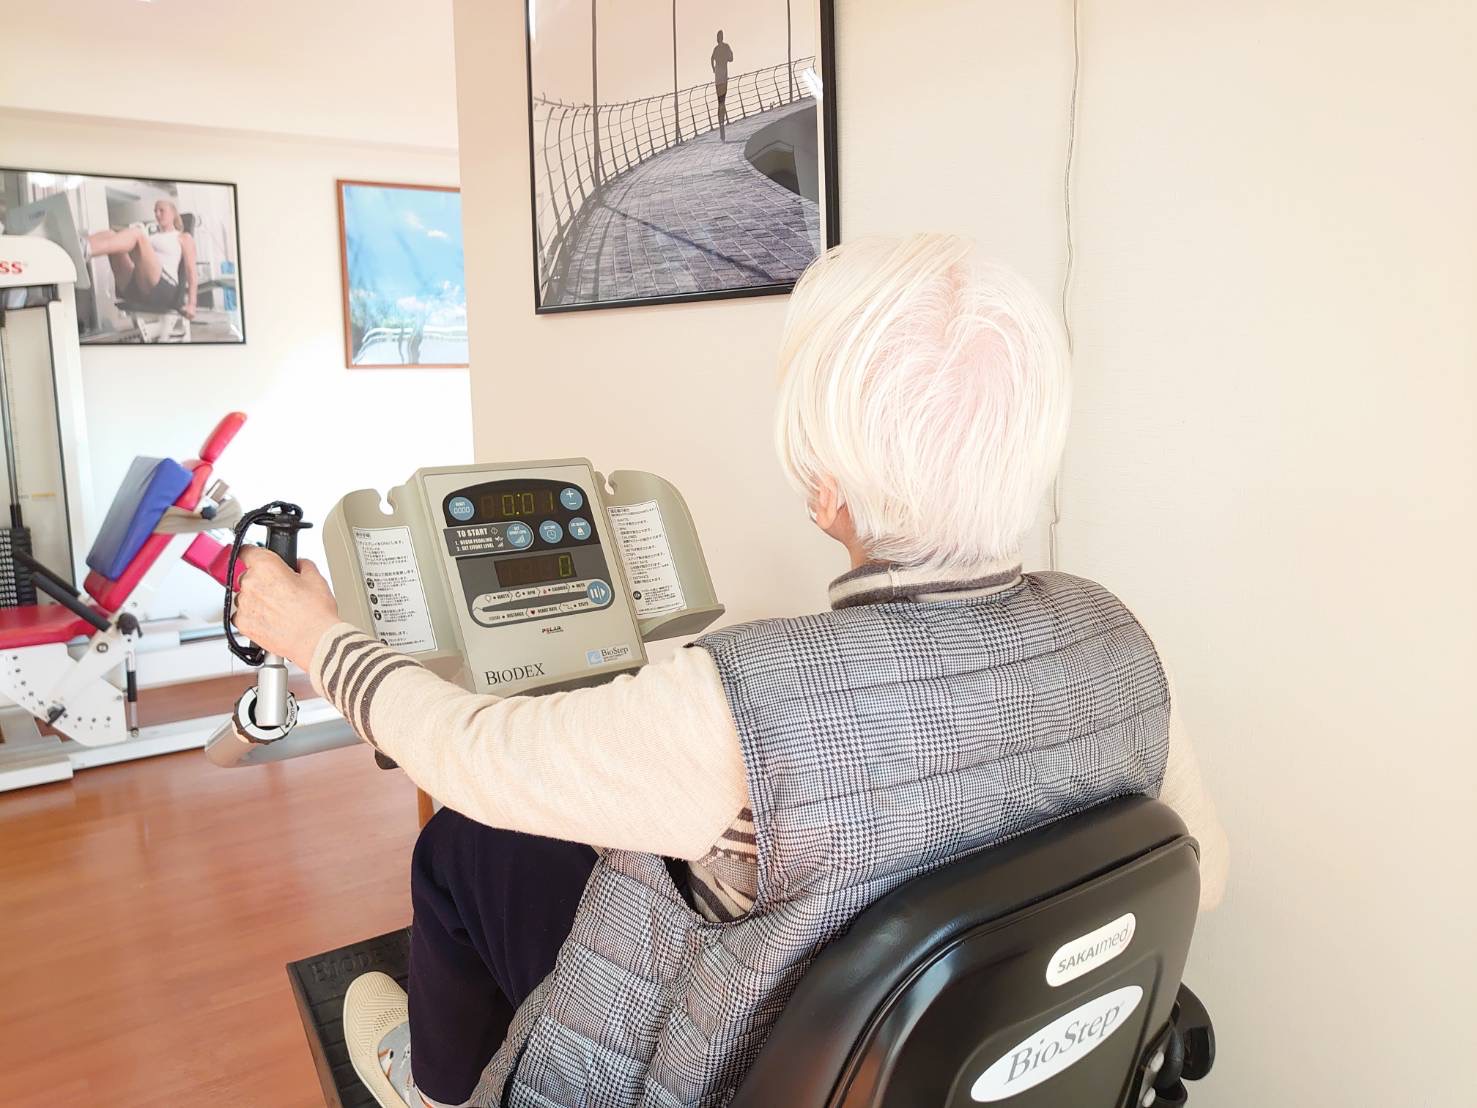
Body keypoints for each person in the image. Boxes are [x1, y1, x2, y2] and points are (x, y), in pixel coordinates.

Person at [234, 233, 1228, 1108]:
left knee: (461, 836)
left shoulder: (742, 711)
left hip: (716, 1070)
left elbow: (471, 753)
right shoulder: (1116, 638)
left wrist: (315, 635)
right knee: (515, 848)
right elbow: (1202, 875)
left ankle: (437, 1089)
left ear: (825, 487)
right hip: (937, 1057)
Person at [83, 198, 197, 318]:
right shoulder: (151, 236)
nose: (157, 214)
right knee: (110, 234)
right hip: (139, 286)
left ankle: (87, 249)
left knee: (137, 233)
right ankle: (82, 246)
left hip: (164, 288)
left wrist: (192, 304)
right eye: (155, 211)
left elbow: (191, 270)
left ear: (173, 213)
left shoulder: (183, 237)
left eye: (161, 210)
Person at [711, 30, 734, 140]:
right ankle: (722, 123)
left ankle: (721, 124)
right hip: (724, 78)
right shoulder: (726, 47)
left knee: (720, 102)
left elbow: (711, 59)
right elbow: (731, 59)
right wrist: (727, 56)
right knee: (722, 102)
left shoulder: (716, 49)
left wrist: (714, 69)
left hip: (717, 79)